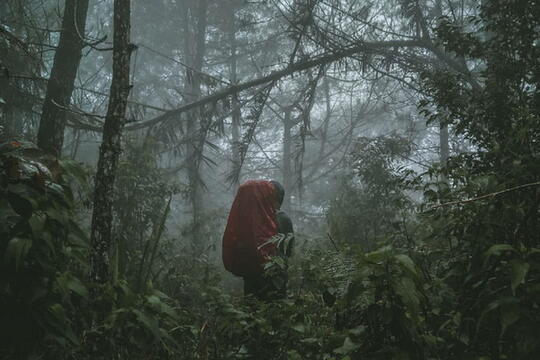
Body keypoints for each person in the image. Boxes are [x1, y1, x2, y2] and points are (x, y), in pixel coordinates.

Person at [222, 180, 294, 300]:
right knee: (277, 311)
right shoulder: (283, 219)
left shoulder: (249, 220)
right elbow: (289, 251)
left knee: (252, 311)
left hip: (251, 278)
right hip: (276, 277)